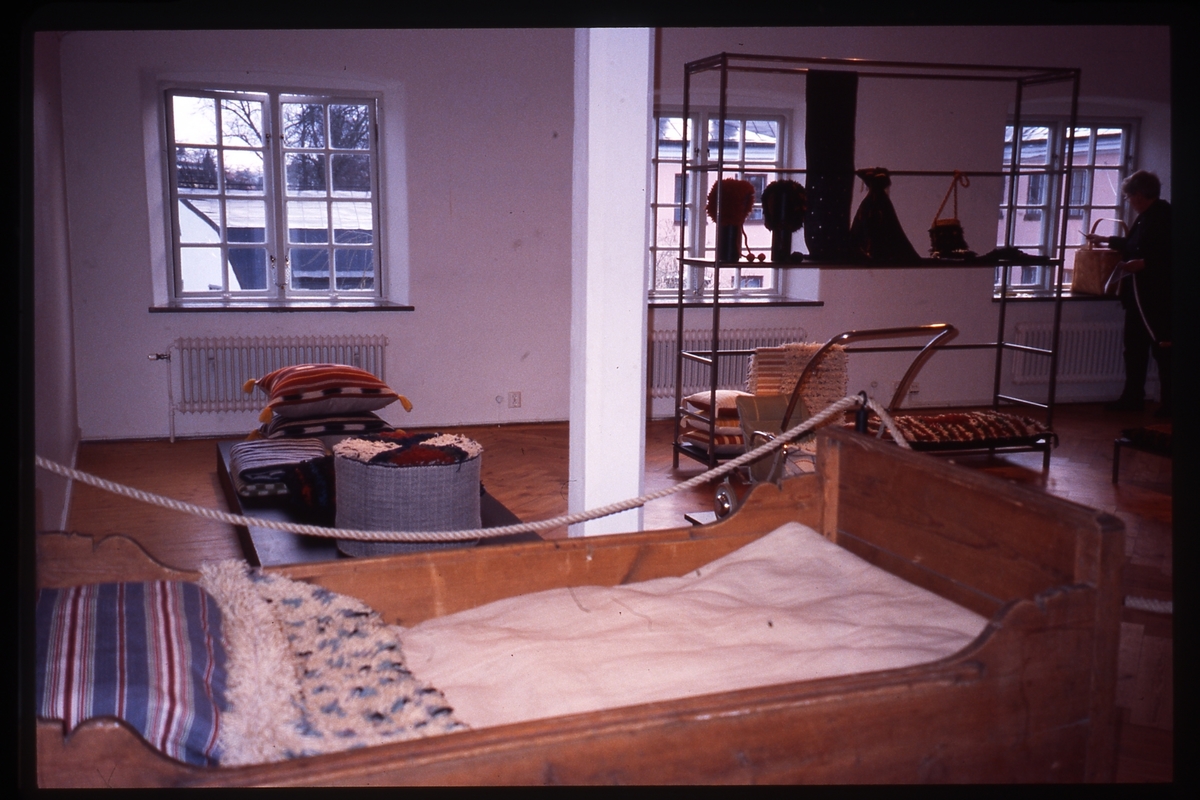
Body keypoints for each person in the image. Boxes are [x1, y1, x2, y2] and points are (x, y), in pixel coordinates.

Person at [1085, 170, 1172, 417]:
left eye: (1130, 197)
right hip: (1137, 296)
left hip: (1156, 298)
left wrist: (1144, 264)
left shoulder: (1165, 217)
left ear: (1139, 195)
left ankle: (1171, 405)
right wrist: (1106, 239)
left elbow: (1170, 254)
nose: (1130, 201)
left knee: (1163, 349)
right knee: (1134, 348)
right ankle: (1133, 397)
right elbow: (1134, 245)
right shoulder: (1145, 217)